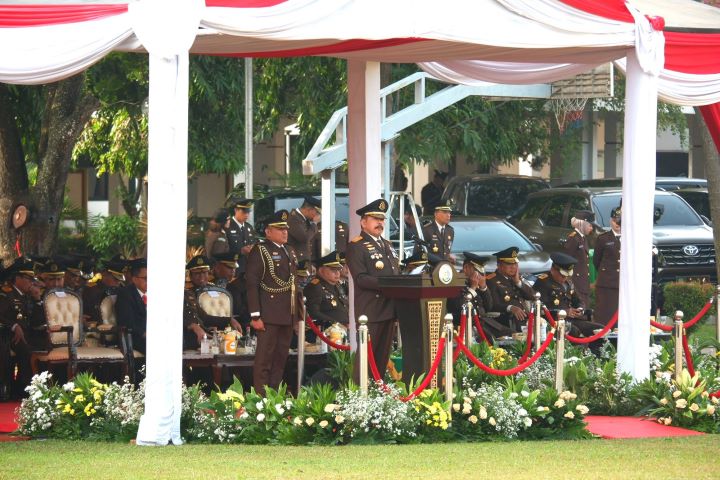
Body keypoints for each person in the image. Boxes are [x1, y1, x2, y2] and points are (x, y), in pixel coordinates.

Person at [346, 198, 400, 383]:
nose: (380, 223)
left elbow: (396, 272)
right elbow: (361, 278)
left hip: (389, 308)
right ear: (363, 222)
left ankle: (377, 392)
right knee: (366, 359)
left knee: (382, 357)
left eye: (382, 219)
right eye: (375, 218)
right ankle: (360, 395)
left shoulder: (387, 245)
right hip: (371, 310)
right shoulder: (357, 246)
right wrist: (388, 284)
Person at [246, 210, 299, 395]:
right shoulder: (261, 250)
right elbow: (252, 284)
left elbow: (294, 285)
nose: (284, 232)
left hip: (287, 313)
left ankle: (274, 395)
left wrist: (297, 316)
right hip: (268, 314)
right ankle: (260, 398)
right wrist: (255, 315)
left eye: (285, 229)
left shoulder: (289, 250)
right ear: (268, 232)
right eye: (279, 229)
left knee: (280, 358)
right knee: (264, 359)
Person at [0, 258, 46, 399]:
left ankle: (29, 389)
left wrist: (38, 299)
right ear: (17, 278)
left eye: (33, 278)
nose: (32, 282)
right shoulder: (6, 293)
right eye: (29, 278)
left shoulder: (27, 296)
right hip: (7, 335)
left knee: (43, 346)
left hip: (27, 334)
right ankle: (21, 390)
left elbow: (38, 321)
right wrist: (14, 326)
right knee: (26, 350)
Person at [534, 252, 604, 338]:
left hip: (571, 319)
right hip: (553, 321)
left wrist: (580, 309)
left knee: (600, 330)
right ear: (553, 270)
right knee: (574, 331)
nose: (565, 278)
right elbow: (541, 309)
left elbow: (578, 300)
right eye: (562, 275)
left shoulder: (568, 283)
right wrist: (565, 312)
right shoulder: (543, 282)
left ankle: (595, 351)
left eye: (567, 275)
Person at [182, 255, 239, 349]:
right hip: (192, 337)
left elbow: (205, 316)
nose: (201, 277)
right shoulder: (186, 293)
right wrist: (194, 326)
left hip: (207, 333)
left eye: (205, 273)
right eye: (197, 274)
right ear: (190, 276)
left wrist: (229, 320)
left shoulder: (213, 290)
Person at [450, 252, 512, 339]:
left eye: (481, 271)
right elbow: (459, 307)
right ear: (466, 268)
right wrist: (472, 288)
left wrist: (483, 288)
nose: (480, 274)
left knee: (513, 335)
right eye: (477, 270)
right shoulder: (456, 282)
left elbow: (489, 307)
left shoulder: (474, 282)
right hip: (468, 326)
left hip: (485, 323)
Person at [488, 246, 536, 332]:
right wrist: (510, 308)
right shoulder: (491, 281)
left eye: (515, 264)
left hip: (525, 321)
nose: (513, 267)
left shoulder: (516, 279)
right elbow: (492, 305)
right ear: (499, 265)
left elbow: (533, 296)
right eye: (509, 264)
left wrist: (518, 282)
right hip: (506, 323)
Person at [304, 251, 349, 329]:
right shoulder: (315, 286)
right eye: (333, 270)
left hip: (342, 330)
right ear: (321, 270)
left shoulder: (337, 286)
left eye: (338, 269)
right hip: (327, 331)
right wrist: (337, 324)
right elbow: (313, 313)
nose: (337, 273)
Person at [593, 206, 621, 325]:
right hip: (607, 282)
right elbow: (596, 260)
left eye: (620, 221)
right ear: (611, 220)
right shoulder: (603, 238)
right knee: (605, 314)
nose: (617, 224)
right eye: (615, 220)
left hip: (623, 282)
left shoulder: (630, 238)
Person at [83, 254, 127, 327]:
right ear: (104, 274)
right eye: (115, 279)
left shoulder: (122, 291)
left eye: (120, 280)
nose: (118, 282)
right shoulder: (91, 291)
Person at [115, 258, 148, 354]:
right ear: (134, 279)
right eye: (146, 278)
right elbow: (127, 322)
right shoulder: (125, 294)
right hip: (135, 337)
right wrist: (144, 333)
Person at [212, 252, 251, 332]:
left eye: (234, 268)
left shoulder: (236, 283)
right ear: (217, 267)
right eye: (229, 267)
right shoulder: (208, 285)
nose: (233, 271)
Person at [564, 210, 594, 307]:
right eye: (590, 225)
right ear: (583, 224)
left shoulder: (582, 238)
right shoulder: (573, 238)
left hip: (582, 283)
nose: (591, 228)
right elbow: (567, 262)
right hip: (576, 283)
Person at [226, 198, 257, 277]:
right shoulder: (228, 226)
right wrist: (240, 251)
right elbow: (223, 249)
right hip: (234, 270)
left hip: (248, 270)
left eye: (248, 212)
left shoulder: (249, 227)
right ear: (236, 210)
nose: (246, 215)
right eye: (243, 212)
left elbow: (252, 243)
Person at [287, 196, 321, 263]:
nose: (317, 215)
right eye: (317, 212)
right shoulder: (294, 218)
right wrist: (314, 223)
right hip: (297, 261)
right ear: (309, 209)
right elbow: (304, 238)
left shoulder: (303, 219)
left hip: (304, 261)